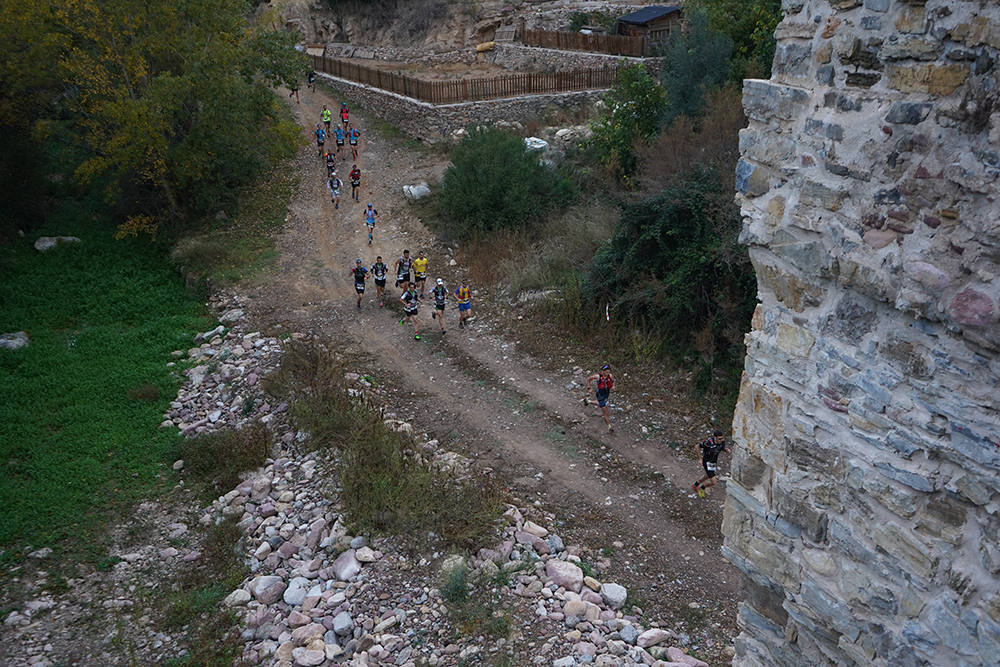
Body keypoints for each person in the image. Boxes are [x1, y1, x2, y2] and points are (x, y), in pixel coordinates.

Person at [692, 431, 729, 498]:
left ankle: (695, 484)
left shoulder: (722, 442)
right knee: (714, 482)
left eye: (722, 438)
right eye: (719, 439)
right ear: (715, 437)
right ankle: (702, 487)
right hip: (706, 462)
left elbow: (721, 448)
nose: (721, 440)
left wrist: (726, 450)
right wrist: (700, 459)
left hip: (713, 462)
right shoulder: (708, 442)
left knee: (708, 475)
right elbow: (697, 446)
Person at [586, 365, 616, 432]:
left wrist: (613, 386)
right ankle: (609, 427)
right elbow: (589, 379)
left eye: (609, 371)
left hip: (606, 393)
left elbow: (613, 381)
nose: (608, 372)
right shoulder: (598, 376)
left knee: (600, 404)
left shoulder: (610, 376)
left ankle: (588, 401)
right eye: (606, 371)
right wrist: (589, 388)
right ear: (603, 371)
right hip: (600, 394)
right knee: (605, 412)